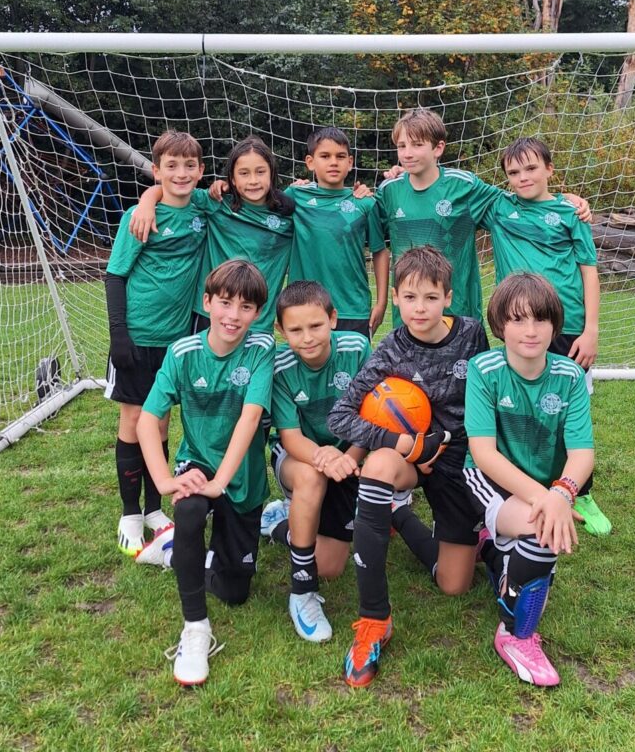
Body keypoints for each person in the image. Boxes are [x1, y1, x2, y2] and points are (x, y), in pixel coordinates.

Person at [327, 246, 489, 687]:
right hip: (410, 456)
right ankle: (374, 620)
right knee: (378, 466)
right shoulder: (391, 348)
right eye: (411, 297)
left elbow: (486, 396)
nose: (421, 308)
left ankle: (400, 514)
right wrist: (405, 442)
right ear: (395, 298)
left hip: (457, 457)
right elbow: (341, 416)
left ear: (448, 298)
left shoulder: (472, 335)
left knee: (455, 584)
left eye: (431, 298)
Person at [136, 260, 275, 686]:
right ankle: (195, 628)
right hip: (197, 466)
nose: (233, 316)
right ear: (207, 302)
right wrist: (163, 483)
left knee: (235, 592)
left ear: (257, 313)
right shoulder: (182, 354)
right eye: (226, 303)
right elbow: (146, 421)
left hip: (242, 474)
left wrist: (222, 483)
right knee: (192, 510)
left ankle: (178, 551)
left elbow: (250, 420)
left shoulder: (262, 349)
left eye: (246, 307)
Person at [463, 273, 594, 687]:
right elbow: (483, 454)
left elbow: (582, 454)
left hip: (544, 487)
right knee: (544, 533)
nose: (530, 331)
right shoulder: (483, 369)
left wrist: (562, 491)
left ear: (555, 324)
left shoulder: (570, 377)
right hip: (489, 479)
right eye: (518, 320)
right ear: (500, 324)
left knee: (540, 538)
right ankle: (513, 634)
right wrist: (548, 501)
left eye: (540, 320)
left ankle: (498, 548)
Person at [481, 136, 610, 536]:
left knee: (568, 410)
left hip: (568, 327)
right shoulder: (498, 208)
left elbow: (589, 270)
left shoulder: (570, 213)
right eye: (514, 172)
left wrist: (590, 330)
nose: (523, 177)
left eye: (531, 168)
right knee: (520, 405)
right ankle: (520, 481)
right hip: (520, 326)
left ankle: (579, 490)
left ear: (550, 169)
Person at [374, 108, 590, 325]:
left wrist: (563, 200)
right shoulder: (388, 191)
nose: (408, 153)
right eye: (402, 146)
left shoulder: (463, 186)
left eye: (417, 144)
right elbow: (370, 235)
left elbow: (517, 200)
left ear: (438, 148)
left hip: (458, 313)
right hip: (408, 314)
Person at [104, 129, 206, 557]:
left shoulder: (203, 208)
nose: (180, 173)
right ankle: (129, 514)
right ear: (155, 169)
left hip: (176, 341)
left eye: (189, 166)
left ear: (200, 172)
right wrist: (119, 335)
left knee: (160, 424)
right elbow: (115, 275)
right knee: (132, 423)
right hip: (137, 338)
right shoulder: (139, 216)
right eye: (171, 166)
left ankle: (152, 509)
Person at [260, 280, 372, 643]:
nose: (306, 337)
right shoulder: (279, 365)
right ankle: (301, 592)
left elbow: (369, 415)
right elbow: (291, 437)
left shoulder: (357, 348)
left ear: (333, 319)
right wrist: (327, 460)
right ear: (281, 330)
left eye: (315, 326)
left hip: (348, 453)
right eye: (295, 329)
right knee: (311, 478)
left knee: (332, 567)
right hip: (299, 457)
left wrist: (349, 457)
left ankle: (281, 523)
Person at [129, 136, 296, 335]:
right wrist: (147, 201)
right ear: (232, 179)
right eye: (244, 173)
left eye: (260, 172)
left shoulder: (288, 218)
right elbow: (175, 189)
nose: (253, 180)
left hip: (257, 323)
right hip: (209, 318)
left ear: (272, 174)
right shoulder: (216, 203)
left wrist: (298, 189)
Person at [286, 127, 390, 338]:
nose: (333, 162)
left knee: (353, 370)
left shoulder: (365, 203)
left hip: (353, 307)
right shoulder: (295, 196)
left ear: (350, 162)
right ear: (310, 162)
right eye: (325, 156)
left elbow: (380, 251)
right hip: (303, 306)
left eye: (340, 156)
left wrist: (381, 302)